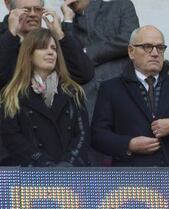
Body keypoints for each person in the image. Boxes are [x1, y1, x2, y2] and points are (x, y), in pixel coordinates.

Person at [91, 25, 169, 167]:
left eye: (160, 48)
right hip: (131, 178)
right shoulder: (111, 88)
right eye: (147, 46)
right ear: (131, 51)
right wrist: (129, 144)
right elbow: (98, 136)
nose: (155, 53)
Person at [0, 28, 90, 166]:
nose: (50, 52)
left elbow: (82, 134)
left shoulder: (73, 91)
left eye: (53, 48)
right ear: (29, 54)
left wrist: (69, 163)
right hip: (32, 174)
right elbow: (12, 137)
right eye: (43, 48)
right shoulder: (12, 94)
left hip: (70, 173)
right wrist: (41, 162)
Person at [61, 0, 139, 118]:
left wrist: (87, 52)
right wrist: (67, 20)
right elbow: (70, 56)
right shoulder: (70, 23)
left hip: (120, 89)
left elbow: (130, 39)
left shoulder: (120, 6)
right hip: (86, 98)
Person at [0, 0, 94, 89]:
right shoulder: (5, 38)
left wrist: (60, 35)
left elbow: (84, 74)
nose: (33, 14)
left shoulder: (53, 40)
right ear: (12, 13)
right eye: (26, 10)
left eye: (37, 9)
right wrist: (11, 33)